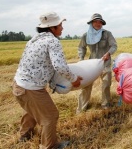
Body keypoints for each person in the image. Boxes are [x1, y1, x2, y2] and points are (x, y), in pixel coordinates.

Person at [13, 12, 82, 149]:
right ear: (52, 28)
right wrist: (73, 79)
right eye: (60, 25)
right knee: (50, 116)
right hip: (31, 88)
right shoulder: (52, 41)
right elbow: (60, 66)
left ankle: (25, 135)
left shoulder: (33, 40)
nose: (62, 28)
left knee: (32, 110)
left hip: (18, 84)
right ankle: (49, 146)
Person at [77, 13, 117, 113]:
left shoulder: (107, 34)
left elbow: (114, 46)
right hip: (91, 64)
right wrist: (81, 59)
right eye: (95, 21)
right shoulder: (86, 35)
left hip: (105, 62)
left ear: (102, 23)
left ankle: (105, 104)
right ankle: (82, 107)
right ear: (91, 23)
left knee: (106, 84)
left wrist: (108, 53)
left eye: (100, 22)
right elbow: (81, 47)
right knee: (86, 85)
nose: (98, 23)